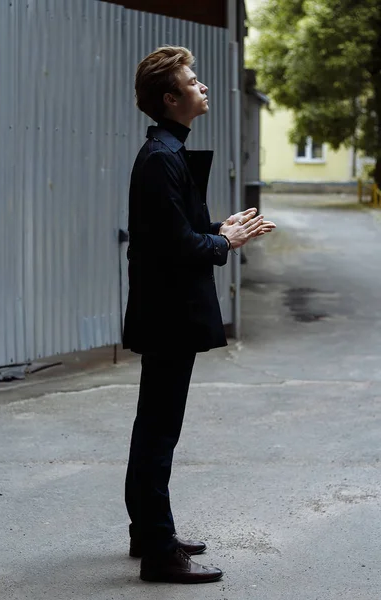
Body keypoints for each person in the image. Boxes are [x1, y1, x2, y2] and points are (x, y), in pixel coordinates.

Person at [122, 46, 276, 584]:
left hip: (165, 310)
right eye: (192, 82)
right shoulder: (161, 157)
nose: (202, 87)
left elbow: (179, 231)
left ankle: (149, 534)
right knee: (159, 430)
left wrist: (220, 228)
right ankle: (160, 552)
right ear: (170, 99)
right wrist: (224, 241)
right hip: (168, 313)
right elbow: (173, 247)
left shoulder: (166, 150)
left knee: (155, 426)